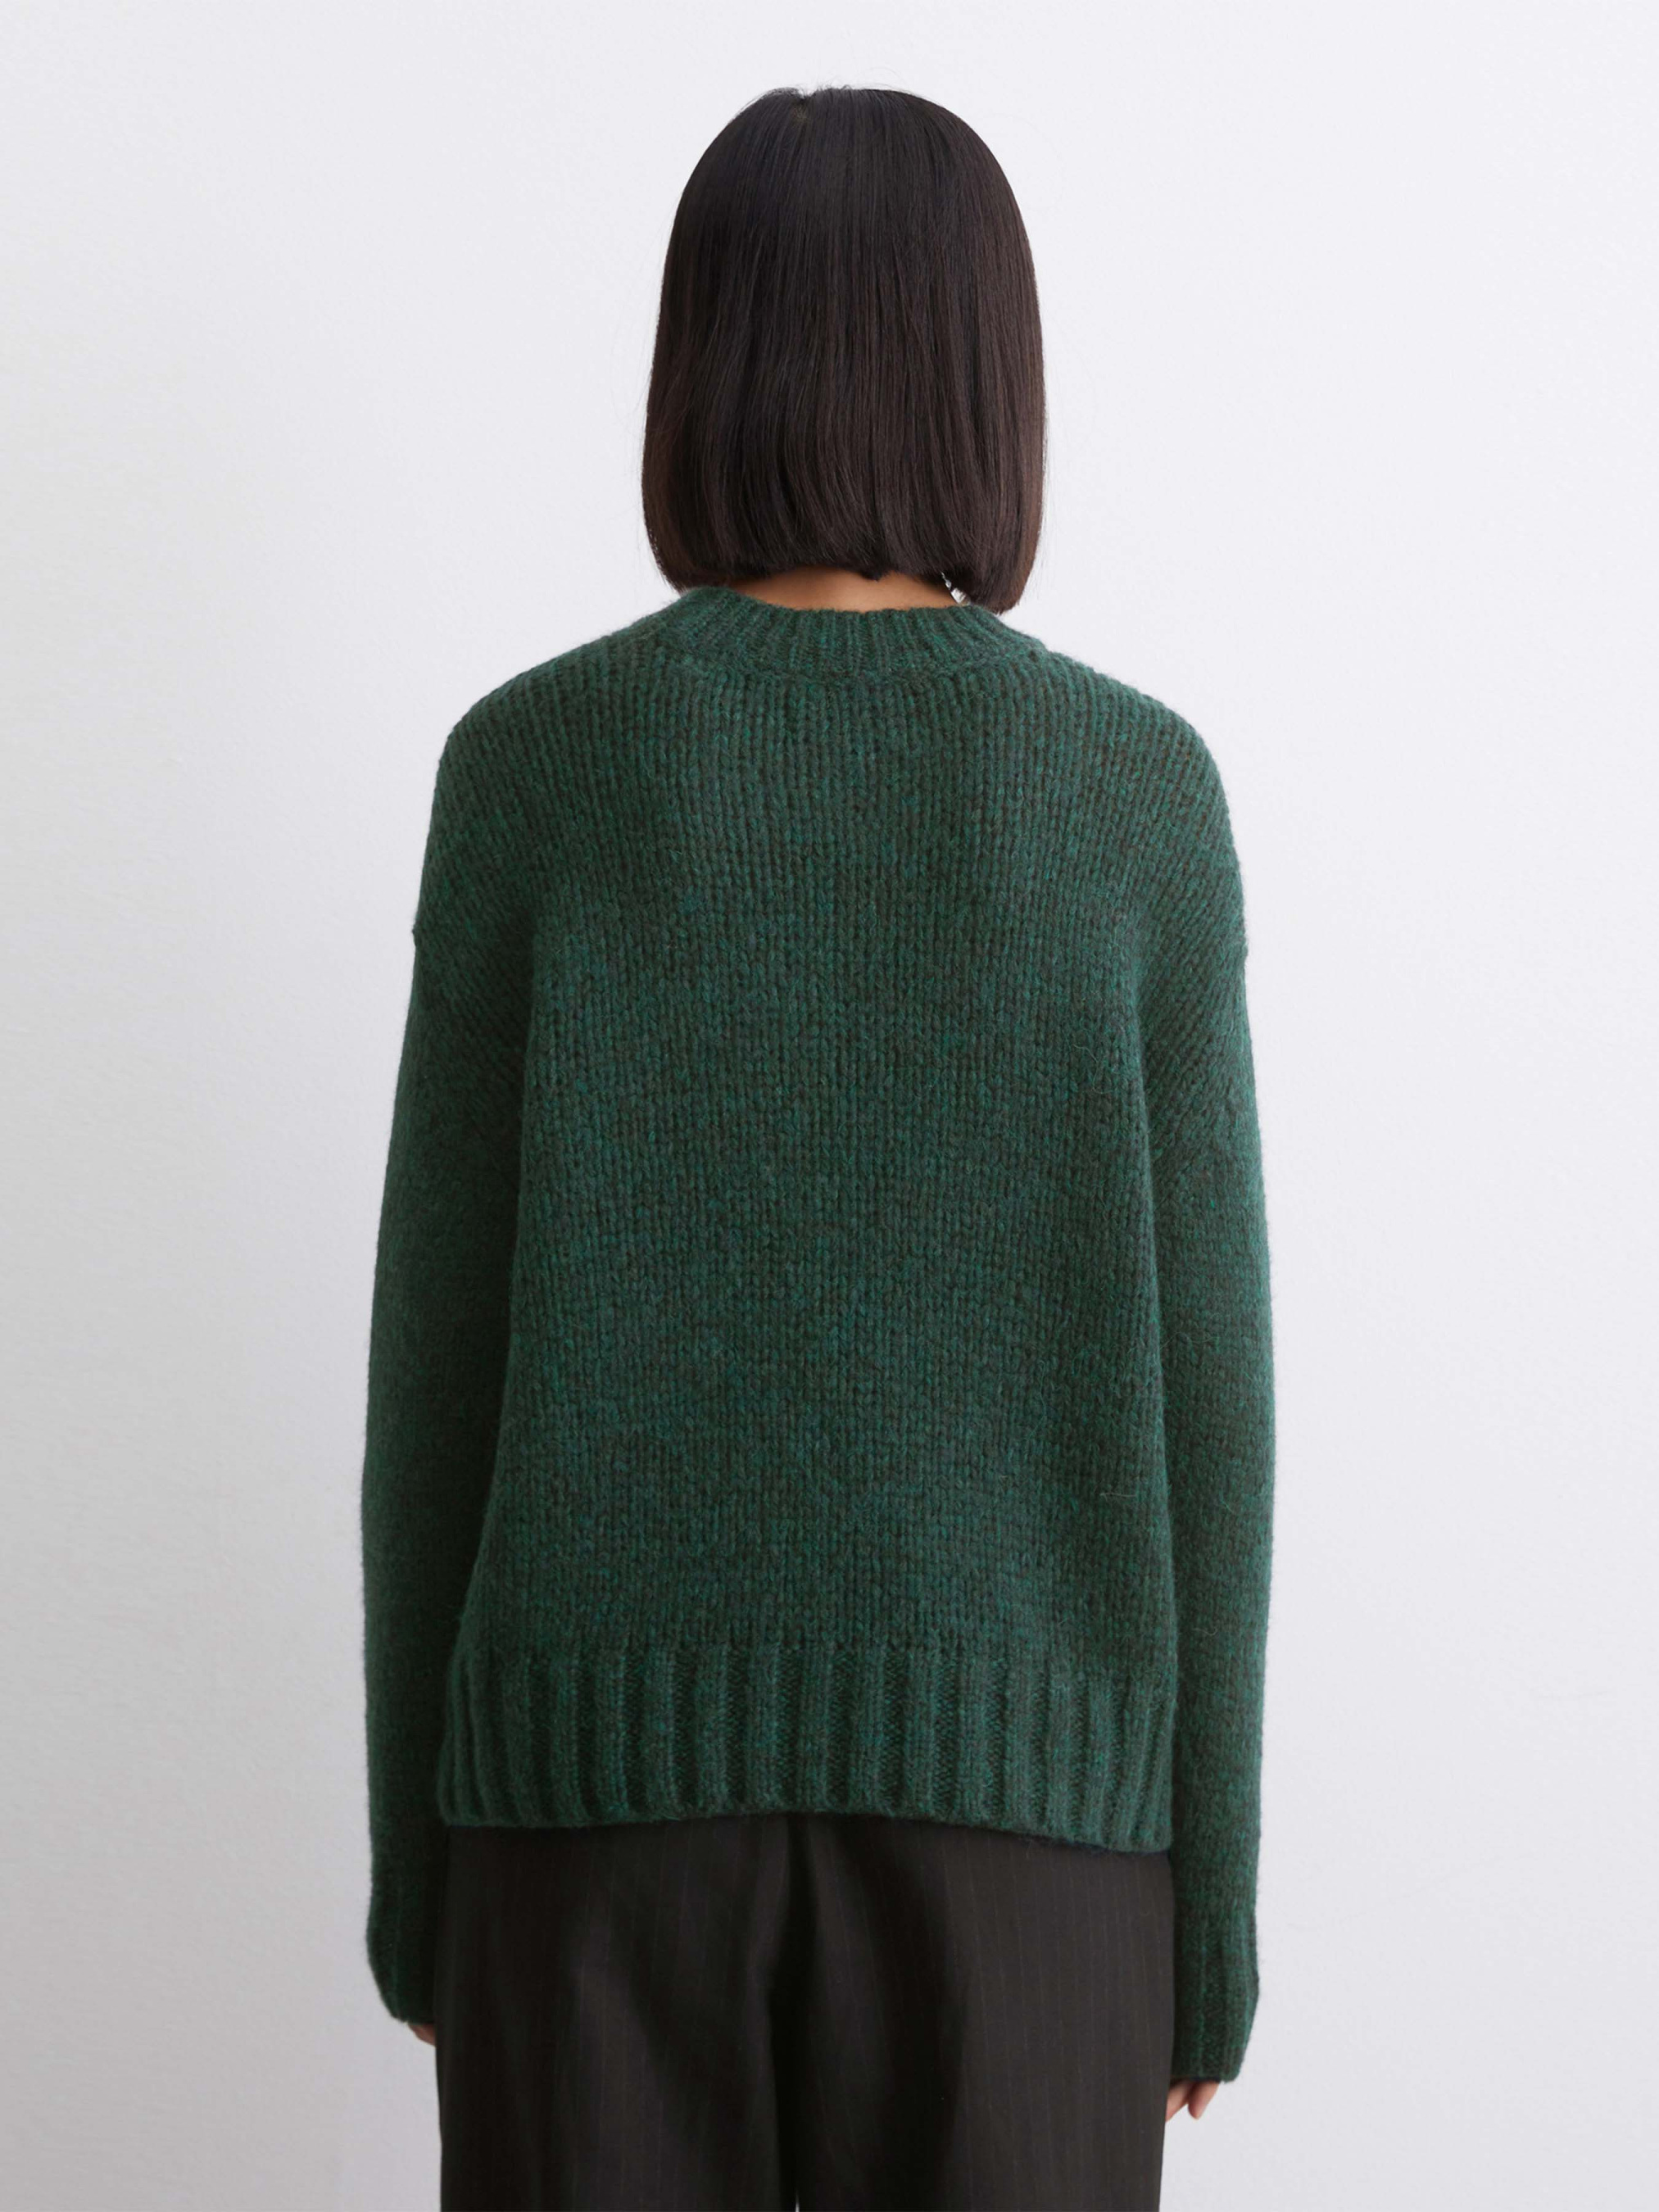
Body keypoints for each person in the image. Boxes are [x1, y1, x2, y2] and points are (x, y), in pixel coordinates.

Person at [360, 82, 1275, 2212]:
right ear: (989, 379)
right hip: (1033, 1860)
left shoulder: (533, 769)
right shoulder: (1134, 794)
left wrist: (421, 1875)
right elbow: (1211, 1405)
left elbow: (437, 1369)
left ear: (700, 364)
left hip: (584, 1837)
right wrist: (1207, 1918)